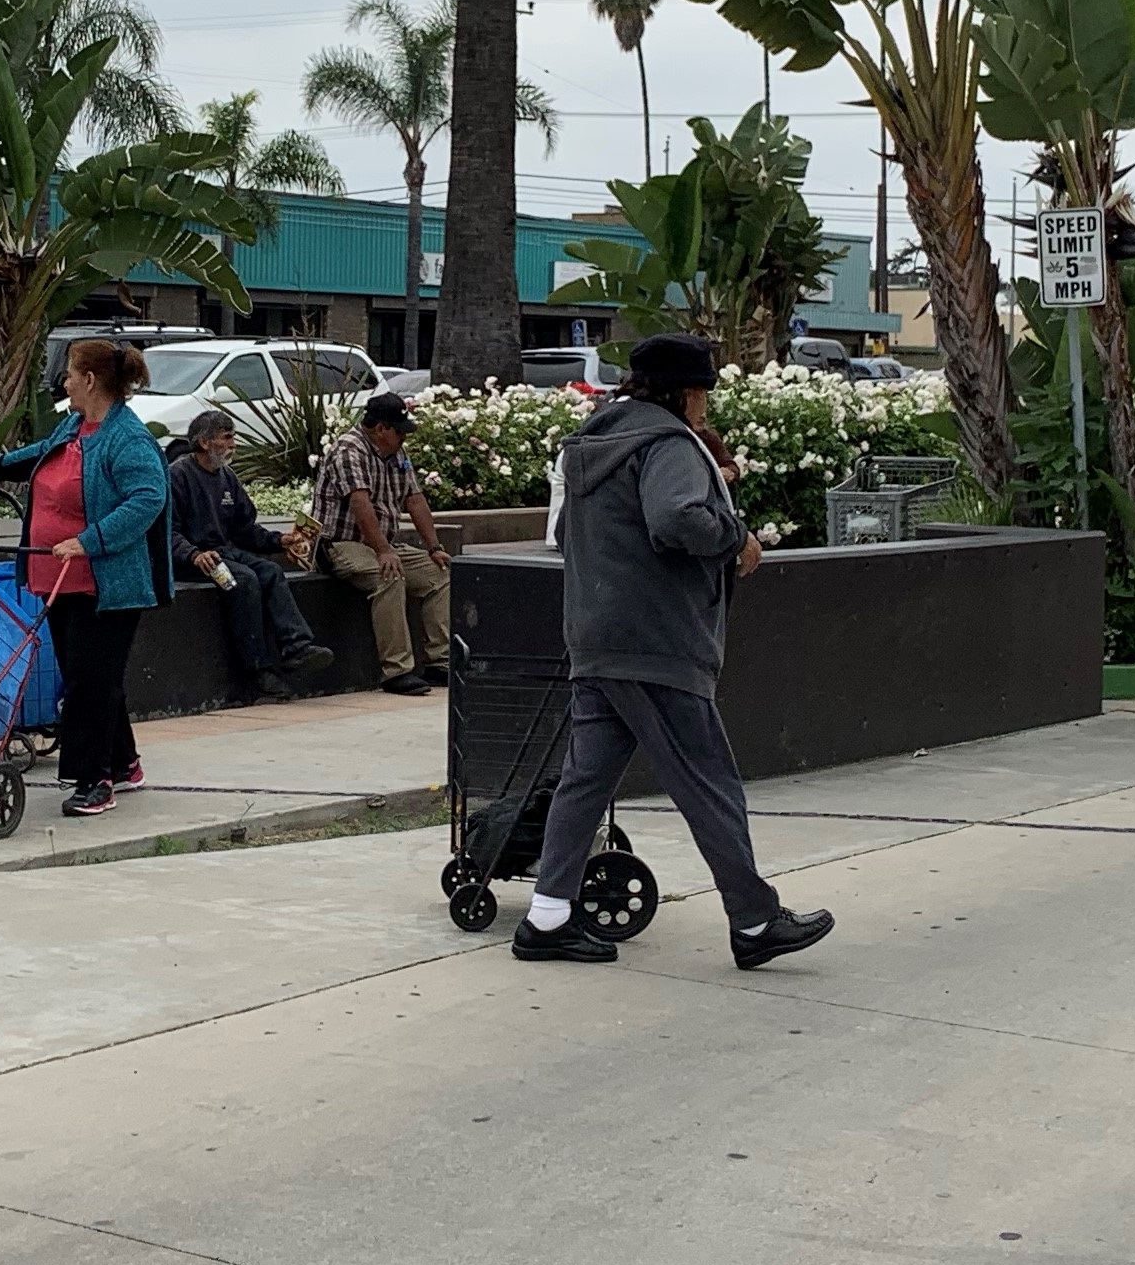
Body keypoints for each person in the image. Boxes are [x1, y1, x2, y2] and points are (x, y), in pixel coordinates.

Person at [509, 333, 832, 970]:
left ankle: (547, 917)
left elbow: (573, 535)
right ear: (688, 393)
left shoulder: (593, 442)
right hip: (657, 644)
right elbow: (678, 518)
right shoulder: (668, 444)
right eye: (704, 394)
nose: (707, 407)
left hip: (597, 638)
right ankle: (755, 918)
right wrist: (735, 538)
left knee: (586, 779)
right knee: (708, 779)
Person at [0, 337, 170, 818]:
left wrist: (89, 541)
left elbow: (147, 498)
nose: (64, 381)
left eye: (70, 373)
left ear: (90, 380)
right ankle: (124, 763)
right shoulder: (75, 426)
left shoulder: (126, 439)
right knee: (90, 677)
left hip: (105, 585)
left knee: (89, 683)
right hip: (59, 579)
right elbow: (40, 453)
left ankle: (95, 781)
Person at [169, 406, 333, 701]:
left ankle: (297, 647)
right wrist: (193, 554)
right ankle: (258, 671)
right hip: (192, 560)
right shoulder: (179, 475)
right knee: (242, 580)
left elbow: (246, 529)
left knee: (270, 571)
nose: (233, 444)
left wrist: (279, 540)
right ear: (205, 442)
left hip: (222, 553)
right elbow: (168, 532)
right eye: (226, 437)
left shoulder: (227, 477)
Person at [312, 394, 453, 696]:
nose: (403, 438)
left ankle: (440, 663)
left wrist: (434, 547)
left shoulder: (397, 454)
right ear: (379, 429)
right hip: (341, 544)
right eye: (399, 431)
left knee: (439, 574)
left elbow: (415, 500)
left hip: (383, 542)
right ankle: (396, 671)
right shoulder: (349, 449)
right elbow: (360, 503)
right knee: (389, 574)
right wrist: (384, 551)